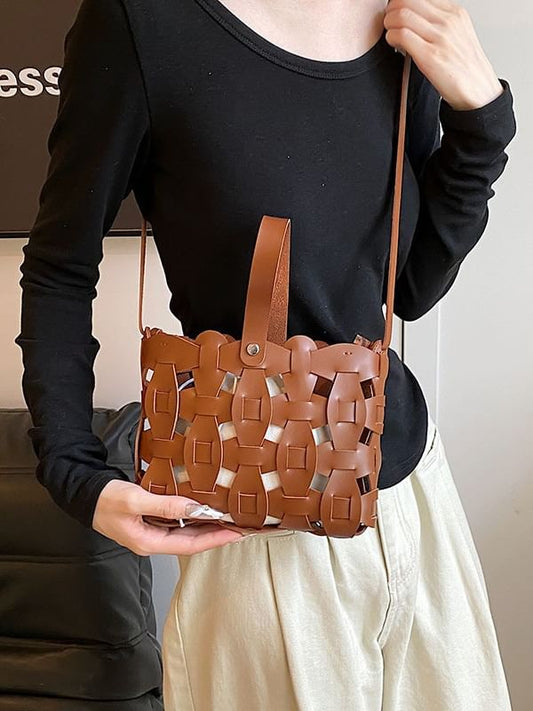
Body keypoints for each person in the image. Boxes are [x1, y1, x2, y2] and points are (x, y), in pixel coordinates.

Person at [15, 0, 517, 709]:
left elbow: (408, 289)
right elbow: (60, 267)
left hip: (415, 497)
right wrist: (73, 468)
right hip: (258, 519)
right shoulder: (144, 21)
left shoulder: (406, 20)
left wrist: (481, 122)